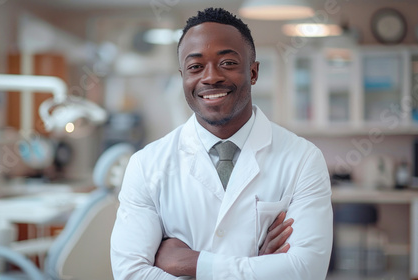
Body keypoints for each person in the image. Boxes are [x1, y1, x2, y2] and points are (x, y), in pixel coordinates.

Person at [110, 7, 332, 280]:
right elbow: (130, 274)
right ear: (183, 78)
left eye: (227, 63)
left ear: (253, 72)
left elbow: (306, 270)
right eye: (195, 67)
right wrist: (255, 265)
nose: (211, 76)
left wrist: (192, 263)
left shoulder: (303, 158)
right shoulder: (146, 165)